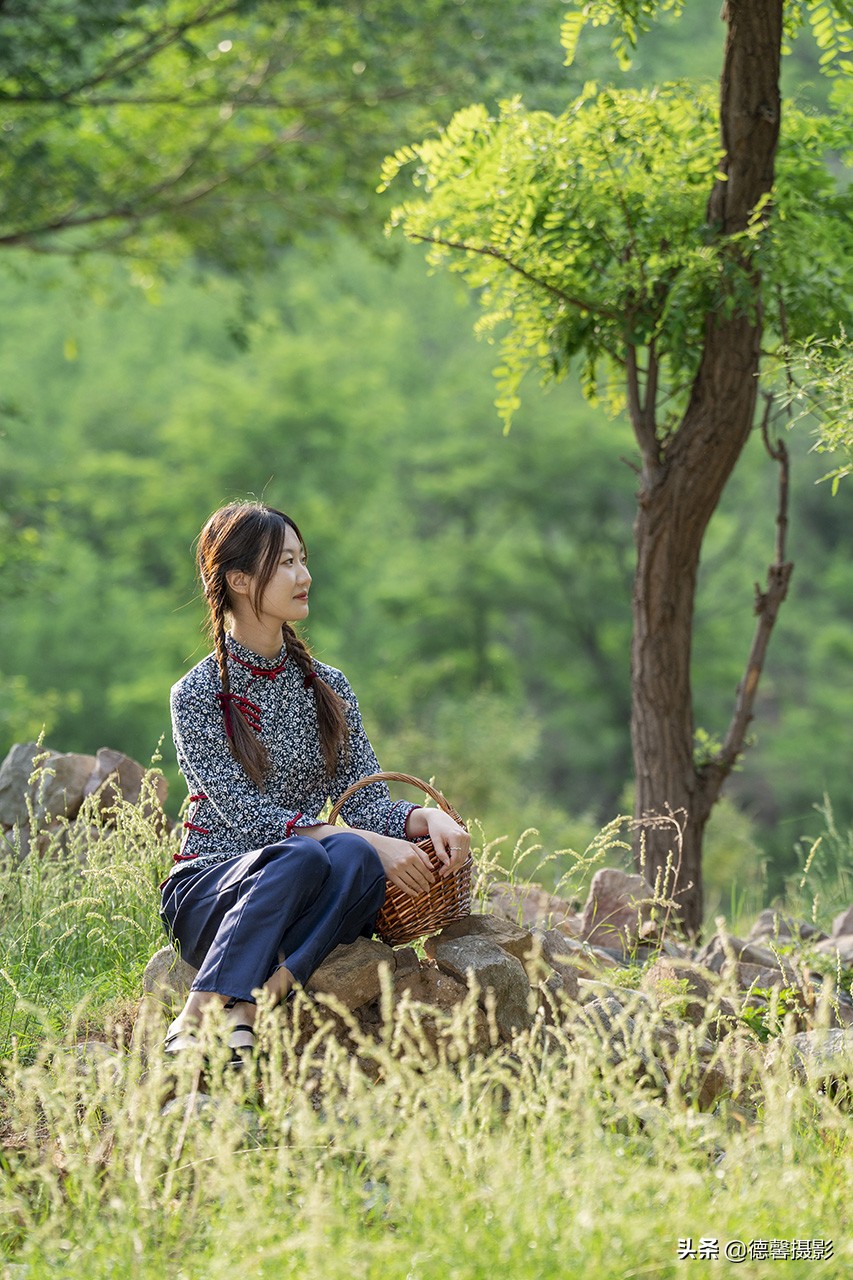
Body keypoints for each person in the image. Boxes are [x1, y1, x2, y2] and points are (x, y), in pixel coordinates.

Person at [160, 500, 470, 1063]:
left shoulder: (328, 687)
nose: (303, 576)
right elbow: (248, 818)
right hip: (217, 893)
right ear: (238, 580)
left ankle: (253, 1005)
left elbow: (366, 799)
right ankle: (199, 1009)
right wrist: (354, 837)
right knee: (311, 854)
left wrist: (423, 817)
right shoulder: (197, 694)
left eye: (302, 559)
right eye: (285, 563)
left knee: (352, 856)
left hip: (306, 894)